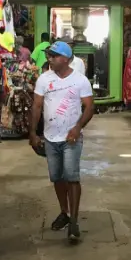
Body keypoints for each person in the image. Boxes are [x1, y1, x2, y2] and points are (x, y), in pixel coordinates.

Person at [29, 41, 94, 243]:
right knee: (57, 178)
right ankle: (64, 213)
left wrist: (77, 128)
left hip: (71, 138)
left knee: (72, 177)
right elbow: (37, 106)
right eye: (49, 55)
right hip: (50, 137)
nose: (49, 59)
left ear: (65, 59)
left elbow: (90, 107)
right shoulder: (43, 79)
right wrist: (32, 132)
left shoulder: (80, 81)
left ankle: (74, 221)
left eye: (53, 56)